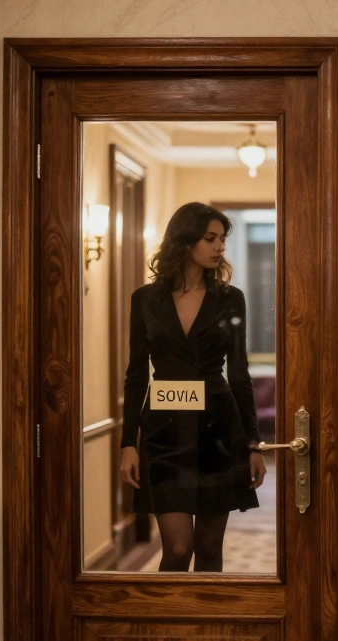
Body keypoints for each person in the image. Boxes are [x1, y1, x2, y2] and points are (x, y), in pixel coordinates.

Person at [118, 202, 266, 572]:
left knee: (209, 548)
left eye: (222, 239)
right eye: (210, 238)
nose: (220, 247)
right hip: (164, 435)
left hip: (218, 433)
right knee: (178, 548)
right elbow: (136, 376)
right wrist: (128, 443)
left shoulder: (230, 299)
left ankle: (206, 612)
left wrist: (253, 444)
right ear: (185, 241)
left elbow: (240, 375)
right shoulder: (145, 299)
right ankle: (168, 613)